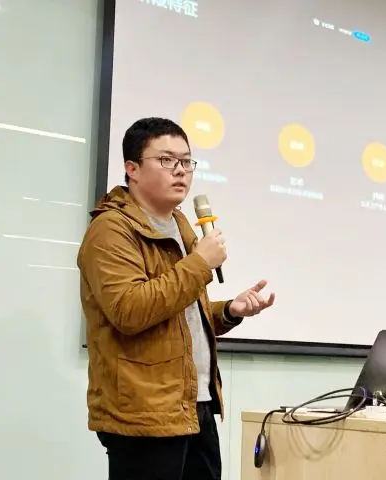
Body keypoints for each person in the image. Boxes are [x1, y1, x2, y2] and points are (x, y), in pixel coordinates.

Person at [77, 117, 275, 480]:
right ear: (132, 169)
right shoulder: (111, 230)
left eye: (186, 161)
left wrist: (229, 311)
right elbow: (130, 310)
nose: (180, 170)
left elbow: (177, 315)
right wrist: (200, 263)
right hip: (144, 413)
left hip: (194, 405)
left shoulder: (181, 224)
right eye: (167, 160)